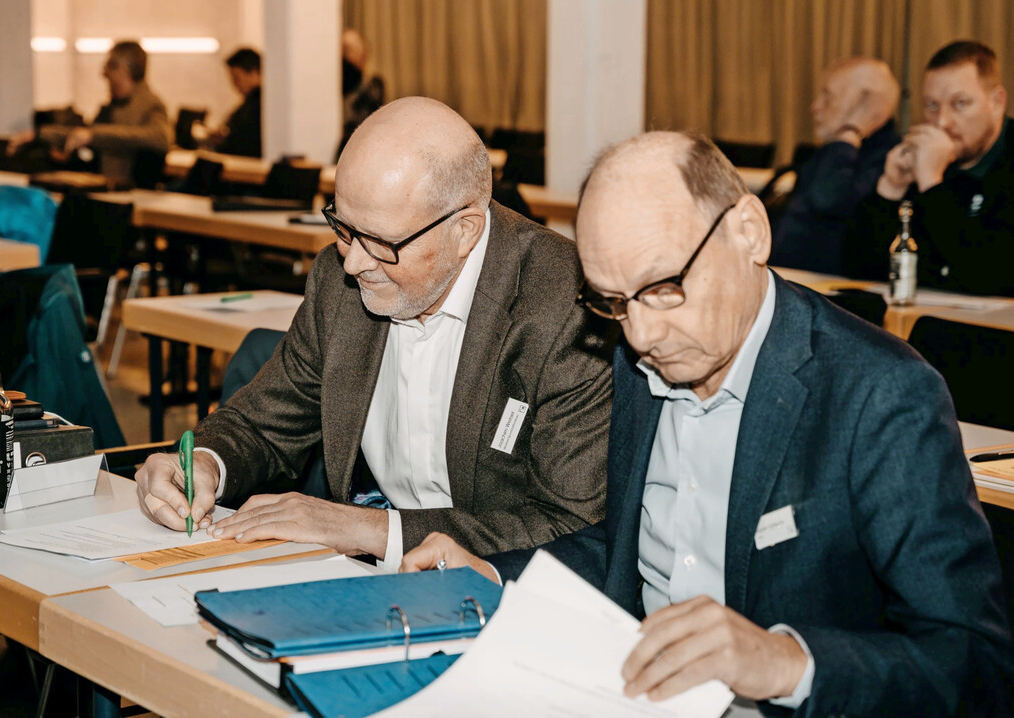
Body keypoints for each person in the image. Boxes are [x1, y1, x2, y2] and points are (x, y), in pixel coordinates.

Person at [401, 131, 1013, 716]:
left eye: (664, 287)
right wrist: (495, 571)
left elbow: (974, 664)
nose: (641, 334)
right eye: (613, 301)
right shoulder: (638, 359)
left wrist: (785, 662)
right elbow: (621, 553)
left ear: (749, 232)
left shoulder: (879, 395)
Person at [135, 97, 613, 570]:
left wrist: (365, 528)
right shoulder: (336, 282)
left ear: (465, 229)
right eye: (343, 228)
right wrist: (203, 463)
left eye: (382, 243)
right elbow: (265, 420)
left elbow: (570, 525)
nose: (353, 262)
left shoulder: (565, 308)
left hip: (505, 599)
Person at [852, 40, 1014, 295]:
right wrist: (890, 189)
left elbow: (988, 275)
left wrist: (931, 182)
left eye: (960, 103)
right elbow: (860, 269)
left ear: (996, 102)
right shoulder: (923, 156)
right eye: (932, 105)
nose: (942, 122)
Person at [769, 57, 900, 275]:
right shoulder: (836, 150)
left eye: (828, 96)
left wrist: (850, 131)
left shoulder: (889, 158)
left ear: (867, 105)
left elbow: (828, 198)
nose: (815, 106)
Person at [23, 41, 173, 187]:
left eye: (108, 66)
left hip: (126, 190)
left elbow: (160, 137)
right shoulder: (114, 107)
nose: (104, 73)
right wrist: (39, 135)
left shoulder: (151, 105)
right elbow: (82, 134)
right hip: (101, 184)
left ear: (122, 70)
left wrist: (94, 136)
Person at [338, 28, 385, 157]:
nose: (343, 56)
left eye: (348, 50)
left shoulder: (372, 87)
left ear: (362, 54)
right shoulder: (336, 87)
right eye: (341, 50)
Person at [211, 47, 262, 158]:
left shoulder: (258, 106)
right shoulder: (251, 103)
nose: (234, 84)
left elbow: (241, 142)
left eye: (236, 78)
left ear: (254, 73)